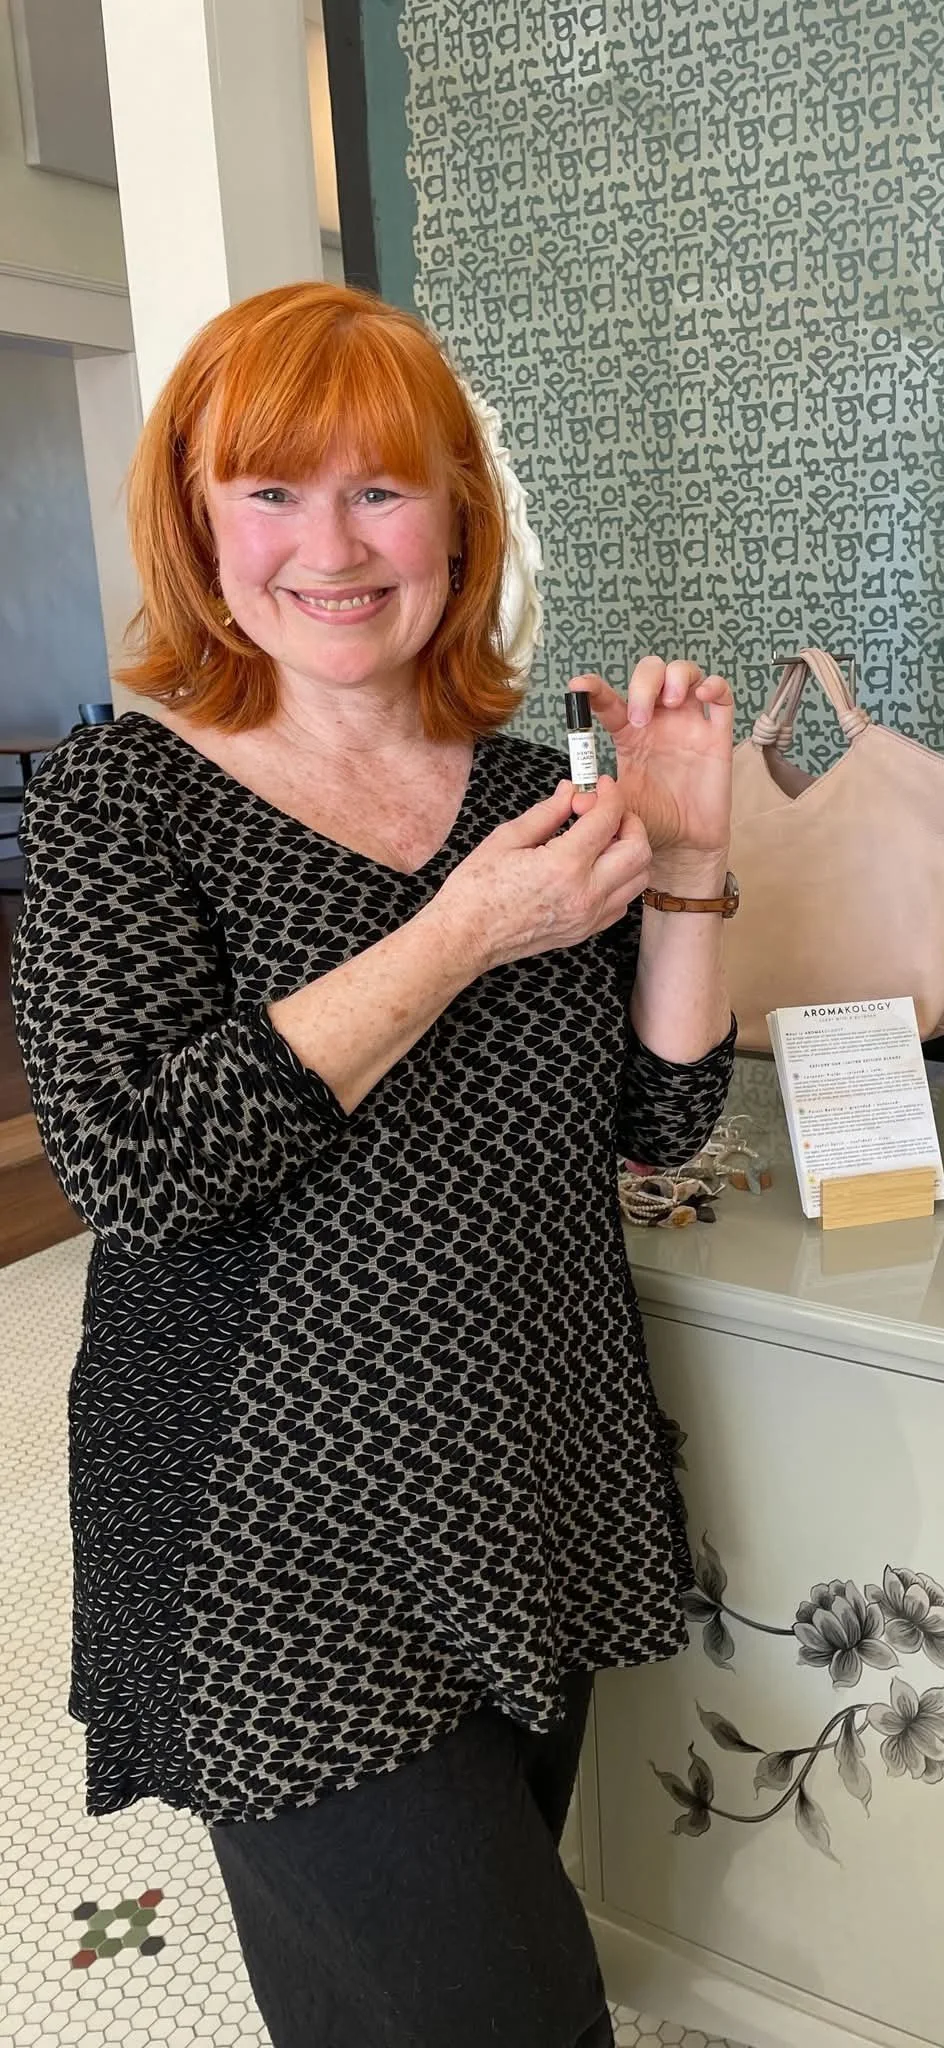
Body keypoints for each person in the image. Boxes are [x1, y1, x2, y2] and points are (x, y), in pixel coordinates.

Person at [11, 281, 737, 2048]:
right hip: (274, 1529)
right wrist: (462, 936)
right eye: (271, 490)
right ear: (197, 518)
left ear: (459, 525)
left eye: (382, 491)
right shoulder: (126, 803)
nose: (329, 546)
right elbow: (139, 1163)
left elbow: (653, 1128)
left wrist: (695, 861)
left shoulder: (527, 804)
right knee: (509, 2016)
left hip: (523, 1476)